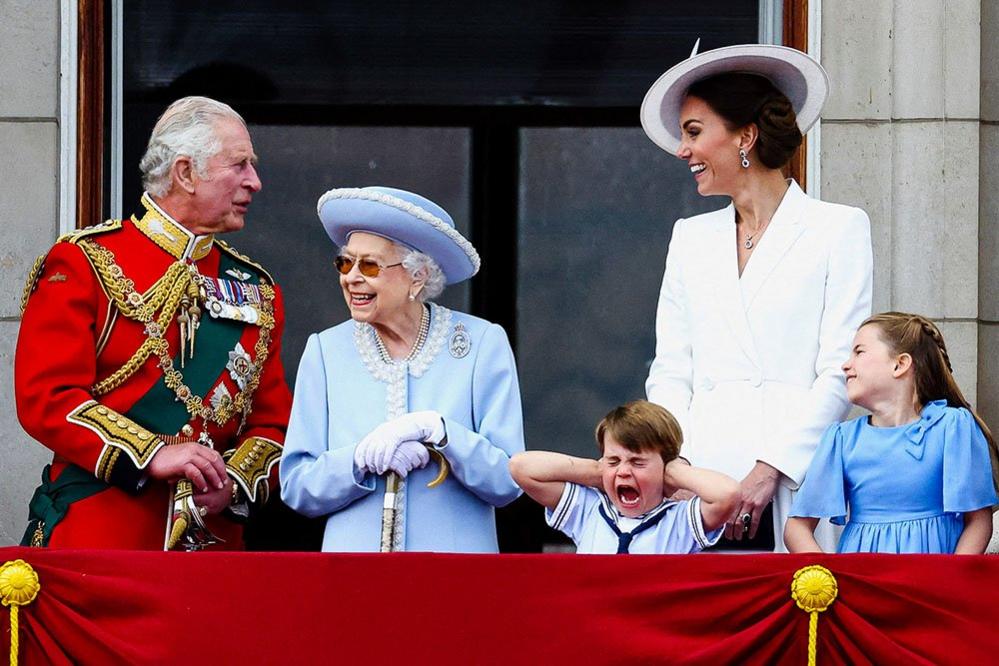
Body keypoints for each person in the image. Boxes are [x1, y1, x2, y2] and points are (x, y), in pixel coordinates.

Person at [15, 96, 292, 550]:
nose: (255, 182)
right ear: (185, 173)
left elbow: (275, 425)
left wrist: (233, 484)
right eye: (239, 165)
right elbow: (47, 397)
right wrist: (153, 455)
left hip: (214, 548)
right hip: (102, 537)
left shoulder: (257, 289)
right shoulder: (86, 262)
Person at [639, 44, 874, 551]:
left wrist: (773, 468)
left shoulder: (838, 229)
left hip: (795, 483)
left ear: (745, 135)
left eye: (695, 132)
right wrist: (677, 467)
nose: (683, 151)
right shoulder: (689, 237)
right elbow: (671, 370)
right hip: (698, 488)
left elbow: (839, 369)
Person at [279, 186, 524, 552]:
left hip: (454, 578)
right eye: (345, 263)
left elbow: (508, 482)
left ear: (418, 276)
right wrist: (358, 459)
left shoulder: (480, 344)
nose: (351, 277)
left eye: (370, 265)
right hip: (355, 579)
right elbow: (297, 487)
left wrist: (442, 434)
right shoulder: (325, 351)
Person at [784, 313, 999, 554]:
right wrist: (829, 582)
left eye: (859, 352)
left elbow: (978, 522)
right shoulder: (842, 439)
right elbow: (796, 528)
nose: (846, 365)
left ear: (900, 364)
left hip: (930, 582)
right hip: (863, 584)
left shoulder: (952, 427)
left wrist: (949, 583)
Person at [509, 400, 738, 554]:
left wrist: (673, 472)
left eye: (638, 462)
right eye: (613, 460)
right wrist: (597, 472)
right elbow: (520, 467)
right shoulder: (588, 511)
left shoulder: (678, 521)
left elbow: (728, 494)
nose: (624, 471)